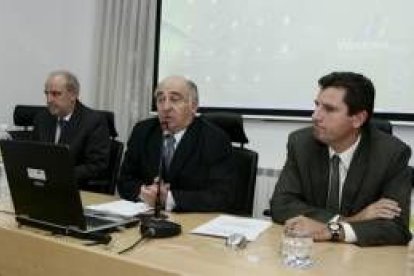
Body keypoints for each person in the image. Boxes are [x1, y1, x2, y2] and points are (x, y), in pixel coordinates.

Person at [270, 71, 412, 246]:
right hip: (309, 252)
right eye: (317, 105)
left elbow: (397, 229)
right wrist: (353, 219)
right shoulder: (301, 143)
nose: (315, 116)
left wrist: (331, 230)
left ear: (358, 119)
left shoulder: (392, 154)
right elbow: (281, 205)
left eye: (329, 109)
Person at [118, 75, 235, 212]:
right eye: (161, 100)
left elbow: (221, 196)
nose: (166, 107)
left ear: (193, 106)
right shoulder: (143, 131)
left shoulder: (215, 139)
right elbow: (125, 180)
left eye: (174, 99)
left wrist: (168, 198)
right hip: (146, 215)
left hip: (192, 222)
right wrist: (145, 192)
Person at [32, 70, 110, 187]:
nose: (49, 100)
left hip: (76, 188)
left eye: (55, 94)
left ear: (73, 95)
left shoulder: (93, 121)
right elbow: (34, 156)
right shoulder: (42, 118)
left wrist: (58, 175)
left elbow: (97, 166)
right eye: (46, 93)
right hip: (43, 186)